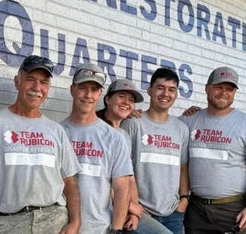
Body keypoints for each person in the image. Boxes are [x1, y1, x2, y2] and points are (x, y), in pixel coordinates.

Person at [0, 55, 82, 234]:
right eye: (30, 79)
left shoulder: (56, 130)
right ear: (17, 81)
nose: (37, 88)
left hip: (54, 221)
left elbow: (69, 181)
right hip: (8, 224)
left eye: (44, 82)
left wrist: (75, 222)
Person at [181, 66, 246, 234]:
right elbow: (164, 126)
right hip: (197, 210)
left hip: (234, 209)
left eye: (229, 89)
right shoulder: (189, 121)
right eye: (219, 87)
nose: (224, 92)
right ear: (207, 88)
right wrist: (135, 114)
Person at [60, 63, 134, 233]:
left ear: (100, 94)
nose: (88, 95)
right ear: (72, 90)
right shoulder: (57, 132)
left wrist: (116, 229)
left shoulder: (114, 137)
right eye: (83, 88)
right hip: (62, 227)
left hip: (99, 228)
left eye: (94, 90)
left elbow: (122, 188)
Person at [97, 78, 173, 234]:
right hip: (102, 210)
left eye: (131, 100)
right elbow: (97, 180)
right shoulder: (98, 131)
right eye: (121, 96)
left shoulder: (123, 134)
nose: (126, 102)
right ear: (107, 99)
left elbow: (129, 178)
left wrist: (134, 212)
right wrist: (131, 207)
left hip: (124, 209)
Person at [121, 68, 190, 234]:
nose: (165, 93)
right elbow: (121, 171)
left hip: (173, 212)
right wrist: (132, 205)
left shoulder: (181, 128)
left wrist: (184, 199)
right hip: (140, 212)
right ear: (150, 90)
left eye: (171, 90)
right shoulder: (133, 123)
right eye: (160, 87)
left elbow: (183, 167)